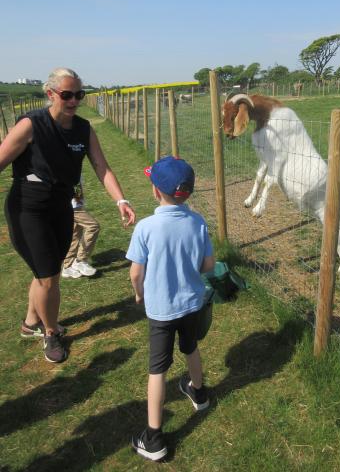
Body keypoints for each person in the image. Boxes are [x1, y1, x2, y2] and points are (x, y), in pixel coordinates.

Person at [0, 68, 135, 364]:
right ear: (50, 94)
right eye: (67, 95)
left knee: (47, 272)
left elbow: (101, 167)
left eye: (79, 94)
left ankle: (30, 322)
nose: (74, 101)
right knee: (49, 277)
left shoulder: (83, 129)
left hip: (62, 206)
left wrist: (121, 200)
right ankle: (51, 333)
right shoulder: (31, 125)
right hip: (29, 208)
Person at [127, 156, 215, 462]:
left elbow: (136, 273)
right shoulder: (198, 222)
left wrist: (139, 293)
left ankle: (153, 438)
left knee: (158, 369)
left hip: (161, 311)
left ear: (155, 191)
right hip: (192, 304)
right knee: (191, 347)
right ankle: (199, 393)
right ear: (188, 193)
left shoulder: (146, 228)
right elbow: (208, 264)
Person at [61, 180, 100, 278]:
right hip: (71, 205)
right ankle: (80, 260)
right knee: (93, 226)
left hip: (75, 204)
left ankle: (67, 266)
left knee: (75, 234)